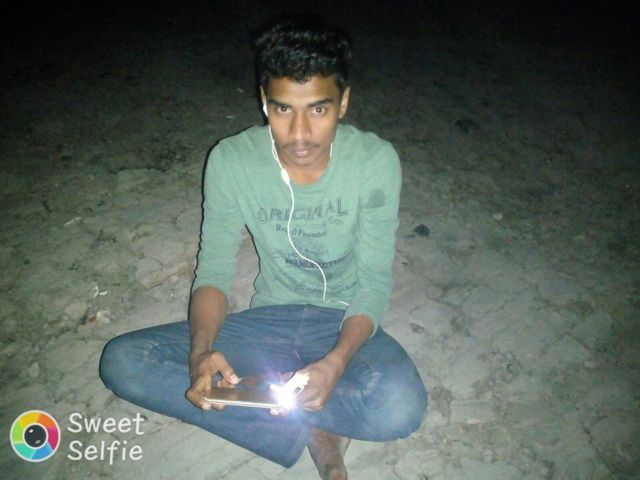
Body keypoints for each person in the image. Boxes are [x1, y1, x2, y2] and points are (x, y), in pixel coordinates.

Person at [100, 13, 427, 480]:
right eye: (282, 109)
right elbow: (213, 271)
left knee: (400, 407)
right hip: (269, 320)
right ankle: (309, 427)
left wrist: (336, 363)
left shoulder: (375, 162)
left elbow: (374, 282)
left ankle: (281, 405)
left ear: (343, 102)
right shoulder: (232, 160)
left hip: (343, 320)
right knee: (123, 362)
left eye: (318, 110)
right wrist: (200, 353)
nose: (299, 134)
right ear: (263, 101)